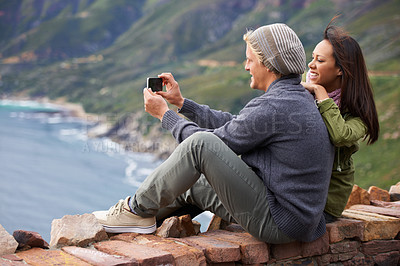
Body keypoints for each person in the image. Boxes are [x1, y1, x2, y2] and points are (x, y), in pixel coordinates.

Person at [93, 23, 334, 244]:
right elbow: (237, 125)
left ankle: (134, 210)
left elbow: (204, 146)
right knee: (194, 185)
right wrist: (183, 104)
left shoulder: (275, 105)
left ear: (268, 64)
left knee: (200, 145)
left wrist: (165, 116)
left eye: (249, 59)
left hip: (280, 223)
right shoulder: (296, 97)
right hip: (297, 221)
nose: (246, 66)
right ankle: (140, 220)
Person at [302, 18, 380, 223]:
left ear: (340, 69)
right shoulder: (304, 91)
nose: (311, 65)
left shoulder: (357, 117)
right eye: (312, 58)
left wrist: (320, 93)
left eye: (320, 60)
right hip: (299, 192)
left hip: (323, 206)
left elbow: (339, 135)